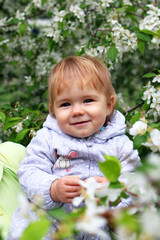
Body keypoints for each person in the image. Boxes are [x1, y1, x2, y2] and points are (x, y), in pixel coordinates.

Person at [6, 56, 140, 240]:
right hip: (48, 222)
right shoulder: (48, 138)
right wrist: (53, 189)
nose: (77, 111)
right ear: (53, 110)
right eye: (66, 104)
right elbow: (29, 171)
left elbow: (135, 184)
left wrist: (113, 193)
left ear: (108, 105)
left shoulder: (119, 144)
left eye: (87, 100)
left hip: (93, 229)